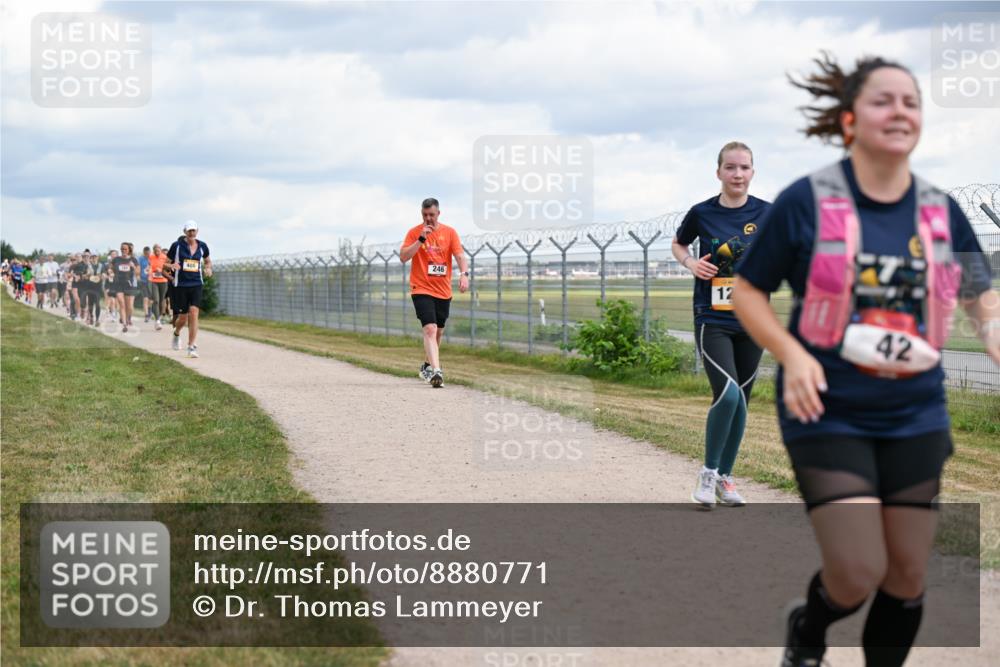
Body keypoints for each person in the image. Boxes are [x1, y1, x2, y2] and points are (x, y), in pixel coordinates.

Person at [731, 53, 999, 667]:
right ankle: (808, 629)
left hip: (915, 413)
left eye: (912, 101)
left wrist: (992, 330)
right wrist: (793, 354)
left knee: (906, 575)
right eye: (884, 100)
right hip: (828, 409)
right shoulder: (808, 201)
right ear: (850, 120)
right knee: (857, 570)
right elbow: (749, 291)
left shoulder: (939, 210)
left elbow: (979, 288)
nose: (900, 110)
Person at [672, 141, 770, 508]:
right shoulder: (702, 213)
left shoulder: (768, 213)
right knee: (727, 393)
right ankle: (708, 473)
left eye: (744, 167)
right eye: (730, 167)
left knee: (742, 400)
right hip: (712, 318)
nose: (737, 174)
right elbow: (679, 245)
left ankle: (726, 479)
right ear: (719, 172)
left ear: (752, 172)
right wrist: (691, 264)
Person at [399, 197, 469, 388]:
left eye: (431, 215)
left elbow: (460, 255)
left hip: (443, 290)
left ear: (438, 213)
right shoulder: (414, 232)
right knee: (429, 328)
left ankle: (427, 366)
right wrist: (420, 239)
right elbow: (404, 257)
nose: (428, 218)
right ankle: (437, 372)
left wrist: (464, 274)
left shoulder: (450, 232)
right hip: (420, 287)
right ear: (421, 214)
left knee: (437, 331)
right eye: (425, 215)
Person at [167, 221, 212, 357]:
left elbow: (208, 261)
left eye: (194, 230)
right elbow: (165, 264)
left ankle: (191, 346)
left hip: (196, 284)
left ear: (197, 231)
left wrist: (208, 268)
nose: (192, 233)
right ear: (184, 232)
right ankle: (176, 333)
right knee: (183, 318)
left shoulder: (203, 246)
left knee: (194, 312)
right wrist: (171, 266)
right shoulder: (177, 246)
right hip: (181, 285)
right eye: (189, 231)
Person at [111, 242, 141, 332]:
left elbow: (138, 273)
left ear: (129, 250)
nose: (123, 250)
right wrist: (111, 273)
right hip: (118, 283)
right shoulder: (116, 259)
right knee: (121, 303)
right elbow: (111, 269)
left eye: (125, 249)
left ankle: (128, 319)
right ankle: (124, 324)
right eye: (122, 249)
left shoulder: (133, 260)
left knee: (130, 306)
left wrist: (133, 267)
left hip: (129, 284)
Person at [148, 243, 169, 330]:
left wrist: (161, 270)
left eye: (158, 250)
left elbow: (169, 269)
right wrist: (150, 270)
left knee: (161, 301)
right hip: (154, 281)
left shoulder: (165, 258)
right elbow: (149, 267)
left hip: (163, 281)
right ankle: (157, 320)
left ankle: (159, 317)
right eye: (155, 251)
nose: (157, 252)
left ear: (160, 250)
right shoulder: (151, 257)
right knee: (156, 300)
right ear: (153, 251)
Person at [139, 246, 154, 322]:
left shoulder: (152, 258)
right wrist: (138, 276)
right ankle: (146, 315)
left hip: (151, 281)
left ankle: (150, 310)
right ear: (144, 253)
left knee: (151, 300)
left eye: (148, 253)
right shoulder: (140, 259)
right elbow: (138, 269)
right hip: (143, 281)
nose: (147, 255)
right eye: (146, 254)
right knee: (145, 298)